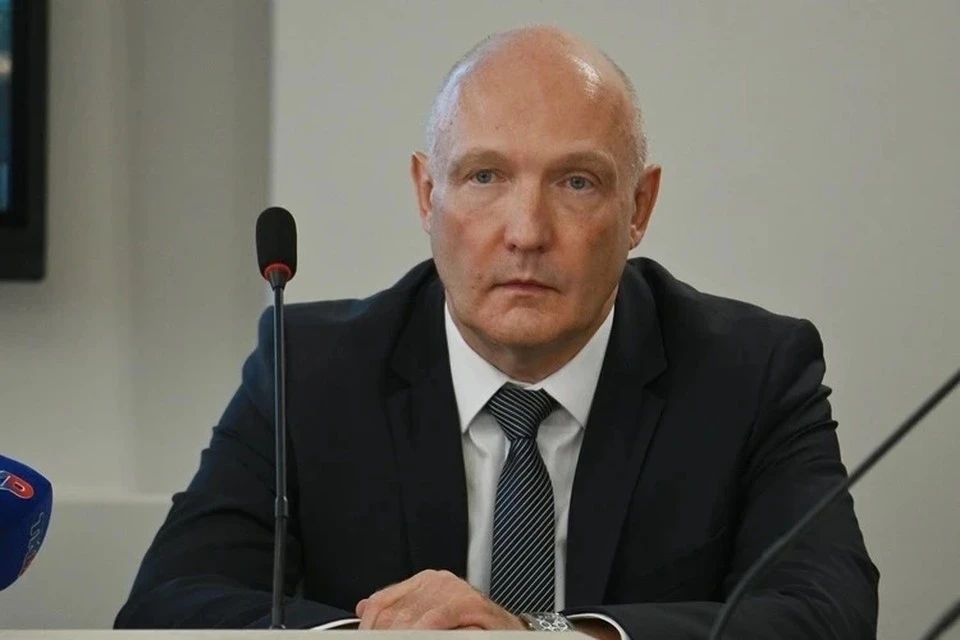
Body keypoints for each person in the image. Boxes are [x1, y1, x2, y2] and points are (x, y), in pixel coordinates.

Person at [115, 26, 879, 638]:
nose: (527, 232)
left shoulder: (750, 373)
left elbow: (827, 613)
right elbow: (167, 604)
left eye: (576, 182)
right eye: (485, 177)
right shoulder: (310, 369)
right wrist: (385, 637)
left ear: (639, 208)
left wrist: (538, 636)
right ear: (427, 194)